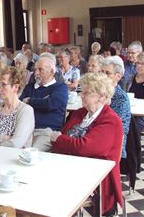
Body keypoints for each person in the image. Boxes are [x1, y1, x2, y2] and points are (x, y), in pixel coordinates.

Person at [51, 73, 123, 215]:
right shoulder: (79, 113)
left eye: (87, 93)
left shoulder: (111, 120)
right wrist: (63, 142)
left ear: (102, 96)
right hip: (68, 167)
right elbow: (62, 142)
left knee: (54, 193)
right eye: (81, 92)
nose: (81, 96)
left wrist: (59, 140)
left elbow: (85, 147)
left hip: (96, 178)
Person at [20, 53, 68, 133]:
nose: (36, 73)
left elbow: (50, 104)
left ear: (52, 72)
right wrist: (42, 102)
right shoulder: (29, 87)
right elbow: (20, 104)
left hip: (47, 130)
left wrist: (29, 101)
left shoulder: (60, 87)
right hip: (25, 129)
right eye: (35, 70)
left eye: (40, 70)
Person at [102, 56, 131, 158]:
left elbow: (116, 128)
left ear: (118, 77)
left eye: (107, 73)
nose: (103, 76)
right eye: (102, 72)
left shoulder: (120, 98)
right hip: (98, 134)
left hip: (112, 141)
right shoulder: (99, 92)